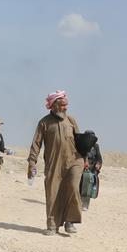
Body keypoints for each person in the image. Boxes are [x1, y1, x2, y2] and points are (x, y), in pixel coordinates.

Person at [27, 90, 87, 236]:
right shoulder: (44, 122)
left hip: (74, 160)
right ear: (53, 105)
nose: (65, 108)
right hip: (54, 162)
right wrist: (32, 162)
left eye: (66, 105)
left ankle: (70, 221)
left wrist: (85, 158)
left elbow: (79, 141)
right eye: (62, 105)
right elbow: (36, 143)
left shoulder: (71, 120)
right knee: (53, 192)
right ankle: (52, 225)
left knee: (73, 187)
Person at [81, 131, 102, 210]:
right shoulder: (81, 145)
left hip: (91, 170)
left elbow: (99, 159)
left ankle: (85, 205)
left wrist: (98, 164)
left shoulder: (96, 146)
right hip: (81, 168)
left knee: (88, 188)